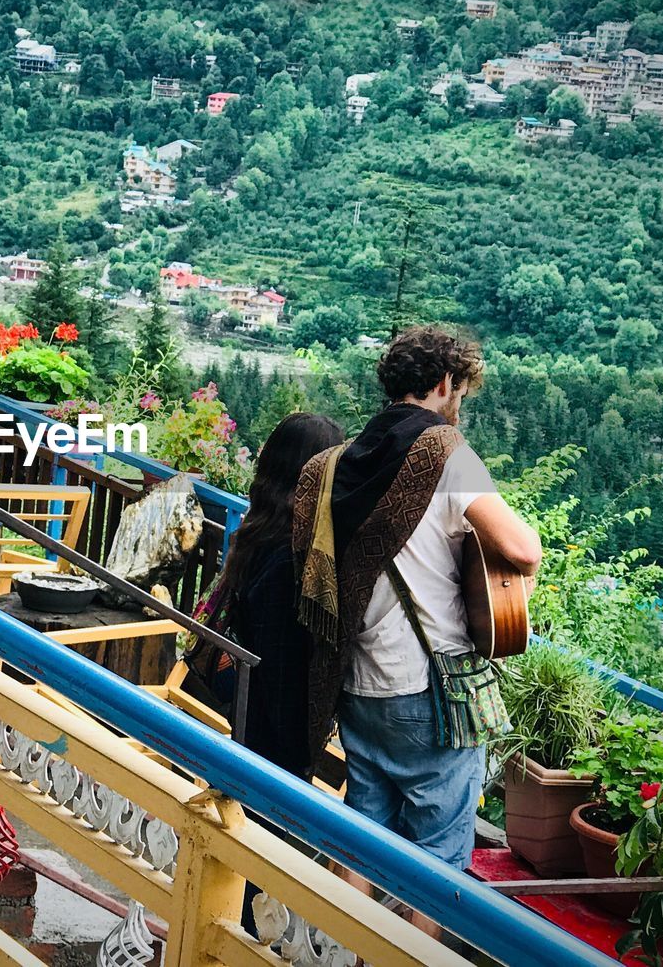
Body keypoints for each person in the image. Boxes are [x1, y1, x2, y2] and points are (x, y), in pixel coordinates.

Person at [292, 326, 541, 938]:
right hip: (427, 690)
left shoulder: (337, 461)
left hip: (354, 681)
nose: (459, 402)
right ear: (442, 384)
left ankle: (342, 948)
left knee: (365, 831)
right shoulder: (444, 452)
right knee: (436, 855)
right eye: (460, 389)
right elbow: (522, 550)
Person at [219, 411, 344, 779]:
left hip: (246, 719)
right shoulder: (289, 559)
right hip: (270, 752)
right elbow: (281, 674)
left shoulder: (258, 533)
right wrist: (301, 755)